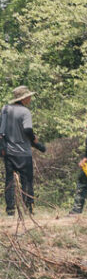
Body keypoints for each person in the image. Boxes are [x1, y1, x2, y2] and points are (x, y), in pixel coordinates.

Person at [1, 86, 45, 216]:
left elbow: (1, 131)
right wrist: (35, 141)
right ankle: (29, 209)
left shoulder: (5, 109)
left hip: (8, 152)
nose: (30, 98)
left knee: (9, 181)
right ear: (24, 98)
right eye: (29, 96)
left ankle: (10, 210)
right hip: (23, 153)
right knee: (27, 180)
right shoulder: (25, 112)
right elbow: (27, 130)